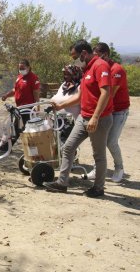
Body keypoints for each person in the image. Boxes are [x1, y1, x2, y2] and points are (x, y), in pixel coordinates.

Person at [44, 39, 113, 198]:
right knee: (68, 147)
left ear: (84, 53)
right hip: (84, 117)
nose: (75, 60)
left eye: (75, 56)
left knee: (99, 155)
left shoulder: (100, 65)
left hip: (99, 119)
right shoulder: (87, 69)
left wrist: (95, 117)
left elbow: (106, 93)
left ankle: (98, 188)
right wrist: (61, 106)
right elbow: (80, 96)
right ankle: (62, 183)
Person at [86, 42, 130, 182]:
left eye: (98, 55)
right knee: (99, 142)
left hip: (118, 111)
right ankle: (97, 169)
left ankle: (119, 168)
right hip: (105, 110)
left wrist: (96, 113)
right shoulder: (97, 67)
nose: (95, 58)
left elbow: (109, 95)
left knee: (111, 142)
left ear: (106, 54)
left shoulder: (116, 70)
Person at [1, 59, 40, 148]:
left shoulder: (33, 78)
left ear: (28, 67)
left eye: (23, 67)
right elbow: (16, 90)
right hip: (19, 107)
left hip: (28, 108)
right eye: (20, 68)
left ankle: (9, 146)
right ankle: (11, 145)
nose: (21, 69)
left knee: (21, 127)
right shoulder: (19, 77)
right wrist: (6, 95)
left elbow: (36, 93)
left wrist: (37, 107)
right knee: (19, 127)